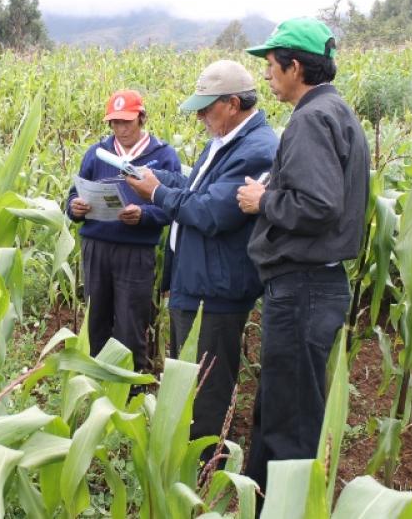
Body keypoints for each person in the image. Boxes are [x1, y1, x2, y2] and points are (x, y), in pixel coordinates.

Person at [237, 18, 370, 495]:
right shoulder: (334, 111)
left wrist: (262, 202)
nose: (268, 76)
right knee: (283, 406)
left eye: (272, 66)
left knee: (289, 422)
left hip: (303, 288)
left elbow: (318, 205)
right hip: (313, 285)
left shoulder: (312, 118)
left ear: (295, 67)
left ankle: (286, 506)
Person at [125, 61, 277, 451]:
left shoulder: (257, 149)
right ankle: (186, 461)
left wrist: (157, 194)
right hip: (196, 282)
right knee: (187, 380)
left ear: (231, 103)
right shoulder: (226, 140)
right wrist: (158, 178)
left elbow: (211, 212)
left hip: (216, 290)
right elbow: (196, 188)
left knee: (207, 391)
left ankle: (205, 471)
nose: (200, 117)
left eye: (205, 108)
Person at [66, 90, 181, 371]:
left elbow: (175, 205)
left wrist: (143, 215)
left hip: (135, 251)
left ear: (142, 118)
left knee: (131, 322)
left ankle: (130, 393)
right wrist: (75, 208)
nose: (121, 129)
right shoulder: (97, 153)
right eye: (115, 123)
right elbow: (72, 196)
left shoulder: (163, 156)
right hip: (96, 248)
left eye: (127, 122)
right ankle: (97, 384)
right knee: (97, 319)